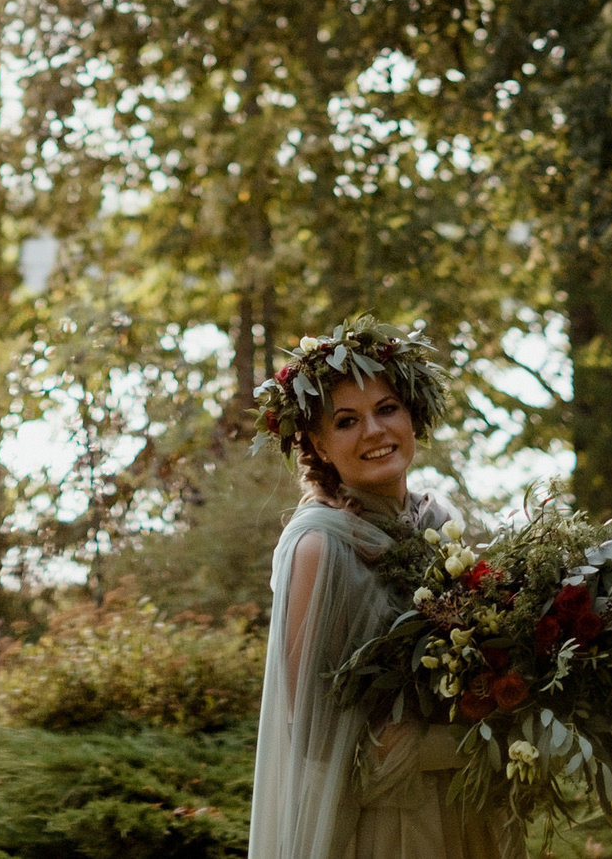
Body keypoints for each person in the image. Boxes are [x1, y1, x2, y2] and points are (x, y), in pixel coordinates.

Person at [245, 318, 512, 859]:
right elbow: (316, 738)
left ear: (412, 416)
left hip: (467, 813)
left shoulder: (439, 522)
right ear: (317, 443)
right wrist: (471, 744)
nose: (373, 431)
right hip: (387, 828)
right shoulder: (318, 546)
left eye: (386, 409)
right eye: (347, 420)